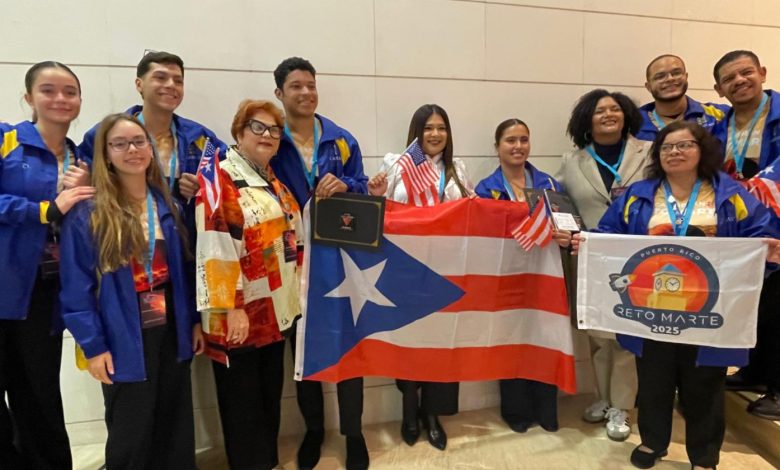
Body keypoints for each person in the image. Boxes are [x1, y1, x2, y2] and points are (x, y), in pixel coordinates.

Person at [572, 120, 780, 470]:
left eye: (684, 145)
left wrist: (769, 251)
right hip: (650, 309)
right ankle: (653, 444)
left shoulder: (731, 195)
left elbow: (763, 231)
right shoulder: (638, 196)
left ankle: (704, 456)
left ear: (702, 150)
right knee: (653, 382)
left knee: (705, 386)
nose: (674, 152)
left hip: (709, 309)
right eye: (667, 147)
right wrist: (587, 242)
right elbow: (609, 234)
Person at [60, 113, 202, 469]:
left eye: (139, 142)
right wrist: (94, 347)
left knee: (174, 418)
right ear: (106, 154)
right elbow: (76, 288)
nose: (132, 150)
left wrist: (194, 322)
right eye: (119, 144)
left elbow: (186, 270)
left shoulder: (167, 203)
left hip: (171, 324)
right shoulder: (89, 212)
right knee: (131, 425)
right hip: (122, 328)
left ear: (151, 150)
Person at [270, 56, 369, 470]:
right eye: (296, 86)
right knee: (304, 352)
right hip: (291, 267)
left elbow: (364, 193)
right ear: (279, 94)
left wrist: (346, 184)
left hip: (339, 263)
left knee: (348, 351)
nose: (306, 92)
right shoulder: (271, 140)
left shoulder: (342, 140)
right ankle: (314, 430)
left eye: (311, 84)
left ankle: (354, 433)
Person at [196, 99, 302, 470]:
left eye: (274, 130)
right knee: (242, 407)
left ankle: (266, 462)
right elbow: (214, 248)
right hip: (238, 315)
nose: (267, 135)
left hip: (274, 313)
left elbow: (290, 241)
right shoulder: (220, 180)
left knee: (267, 400)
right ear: (239, 133)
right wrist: (233, 306)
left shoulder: (272, 180)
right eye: (258, 127)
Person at [0, 61, 93, 470]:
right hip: (4, 280)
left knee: (39, 390)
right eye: (48, 90)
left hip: (47, 291)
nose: (60, 99)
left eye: (69, 91)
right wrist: (46, 209)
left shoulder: (82, 156)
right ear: (28, 98)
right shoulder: (5, 140)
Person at [368, 104, 473, 450]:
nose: (435, 134)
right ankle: (408, 411)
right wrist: (376, 194)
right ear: (417, 131)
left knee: (439, 347)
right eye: (428, 127)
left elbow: (472, 214)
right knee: (409, 344)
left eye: (441, 127)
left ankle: (432, 414)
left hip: (446, 273)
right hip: (405, 271)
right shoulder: (397, 165)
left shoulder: (457, 168)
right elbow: (381, 214)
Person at [555, 89, 651, 441]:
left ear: (626, 115)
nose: (608, 115)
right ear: (587, 120)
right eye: (599, 111)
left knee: (626, 336)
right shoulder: (572, 161)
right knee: (597, 335)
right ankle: (604, 398)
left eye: (615, 109)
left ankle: (623, 407)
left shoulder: (650, 152)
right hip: (591, 257)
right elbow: (560, 205)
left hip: (637, 258)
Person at [474, 118, 571, 433]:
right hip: (506, 278)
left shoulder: (550, 185)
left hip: (544, 275)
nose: (518, 146)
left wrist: (565, 235)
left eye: (524, 140)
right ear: (497, 146)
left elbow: (569, 226)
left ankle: (546, 408)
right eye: (510, 140)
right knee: (511, 341)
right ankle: (516, 411)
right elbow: (481, 236)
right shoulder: (485, 189)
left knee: (544, 340)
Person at [79, 51, 226, 229]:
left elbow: (229, 178)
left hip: (184, 240)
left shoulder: (199, 137)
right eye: (161, 78)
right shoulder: (105, 135)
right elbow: (86, 183)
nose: (171, 85)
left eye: (178, 81)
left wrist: (202, 188)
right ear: (139, 84)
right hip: (126, 235)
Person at [712, 50, 780, 419]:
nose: (739, 81)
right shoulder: (718, 128)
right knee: (758, 305)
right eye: (729, 78)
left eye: (746, 72)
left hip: (778, 224)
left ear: (763, 73)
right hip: (743, 226)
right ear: (719, 89)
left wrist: (761, 185)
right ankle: (754, 372)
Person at [636, 54, 727, 142]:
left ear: (686, 77)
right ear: (648, 86)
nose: (670, 79)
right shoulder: (633, 122)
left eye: (676, 73)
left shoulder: (720, 114)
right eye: (660, 76)